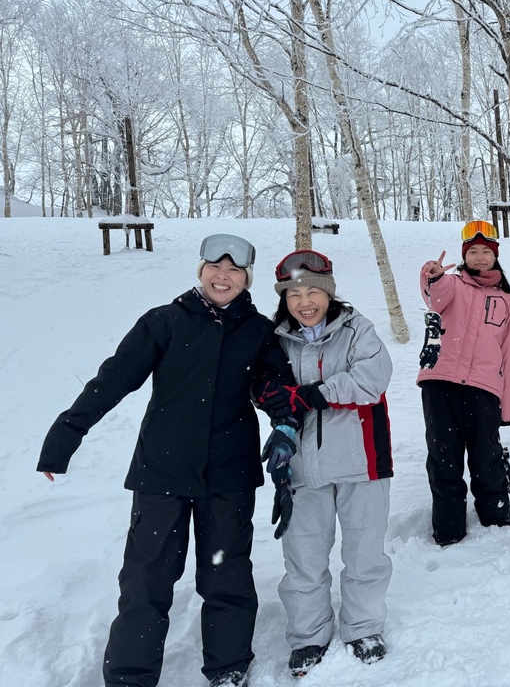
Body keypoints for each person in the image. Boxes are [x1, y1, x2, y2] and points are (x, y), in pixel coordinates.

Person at [37, 234, 296, 687]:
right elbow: (112, 380)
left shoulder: (258, 331)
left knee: (227, 576)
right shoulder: (165, 322)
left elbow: (276, 385)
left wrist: (286, 424)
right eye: (216, 267)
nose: (224, 276)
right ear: (201, 271)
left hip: (228, 474)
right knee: (145, 581)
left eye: (235, 271)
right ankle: (129, 678)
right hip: (161, 472)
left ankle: (229, 670)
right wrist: (66, 434)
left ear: (246, 279)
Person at [264, 249, 394, 677]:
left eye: (314, 291)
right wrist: (273, 403)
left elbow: (372, 379)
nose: (305, 301)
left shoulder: (357, 328)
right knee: (303, 558)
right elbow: (262, 386)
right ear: (284, 298)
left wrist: (311, 395)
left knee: (364, 552)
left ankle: (362, 628)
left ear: (329, 292)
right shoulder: (274, 338)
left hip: (363, 460)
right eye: (295, 293)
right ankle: (309, 636)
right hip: (303, 466)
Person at [417, 220, 510, 546]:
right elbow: (434, 299)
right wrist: (431, 275)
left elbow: (509, 355)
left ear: (495, 256)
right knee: (444, 459)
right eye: (472, 251)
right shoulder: (450, 285)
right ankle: (448, 533)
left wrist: (507, 407)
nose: (479, 257)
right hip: (441, 382)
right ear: (464, 255)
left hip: (484, 389)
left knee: (487, 459)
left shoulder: (506, 301)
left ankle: (497, 526)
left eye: (485, 252)